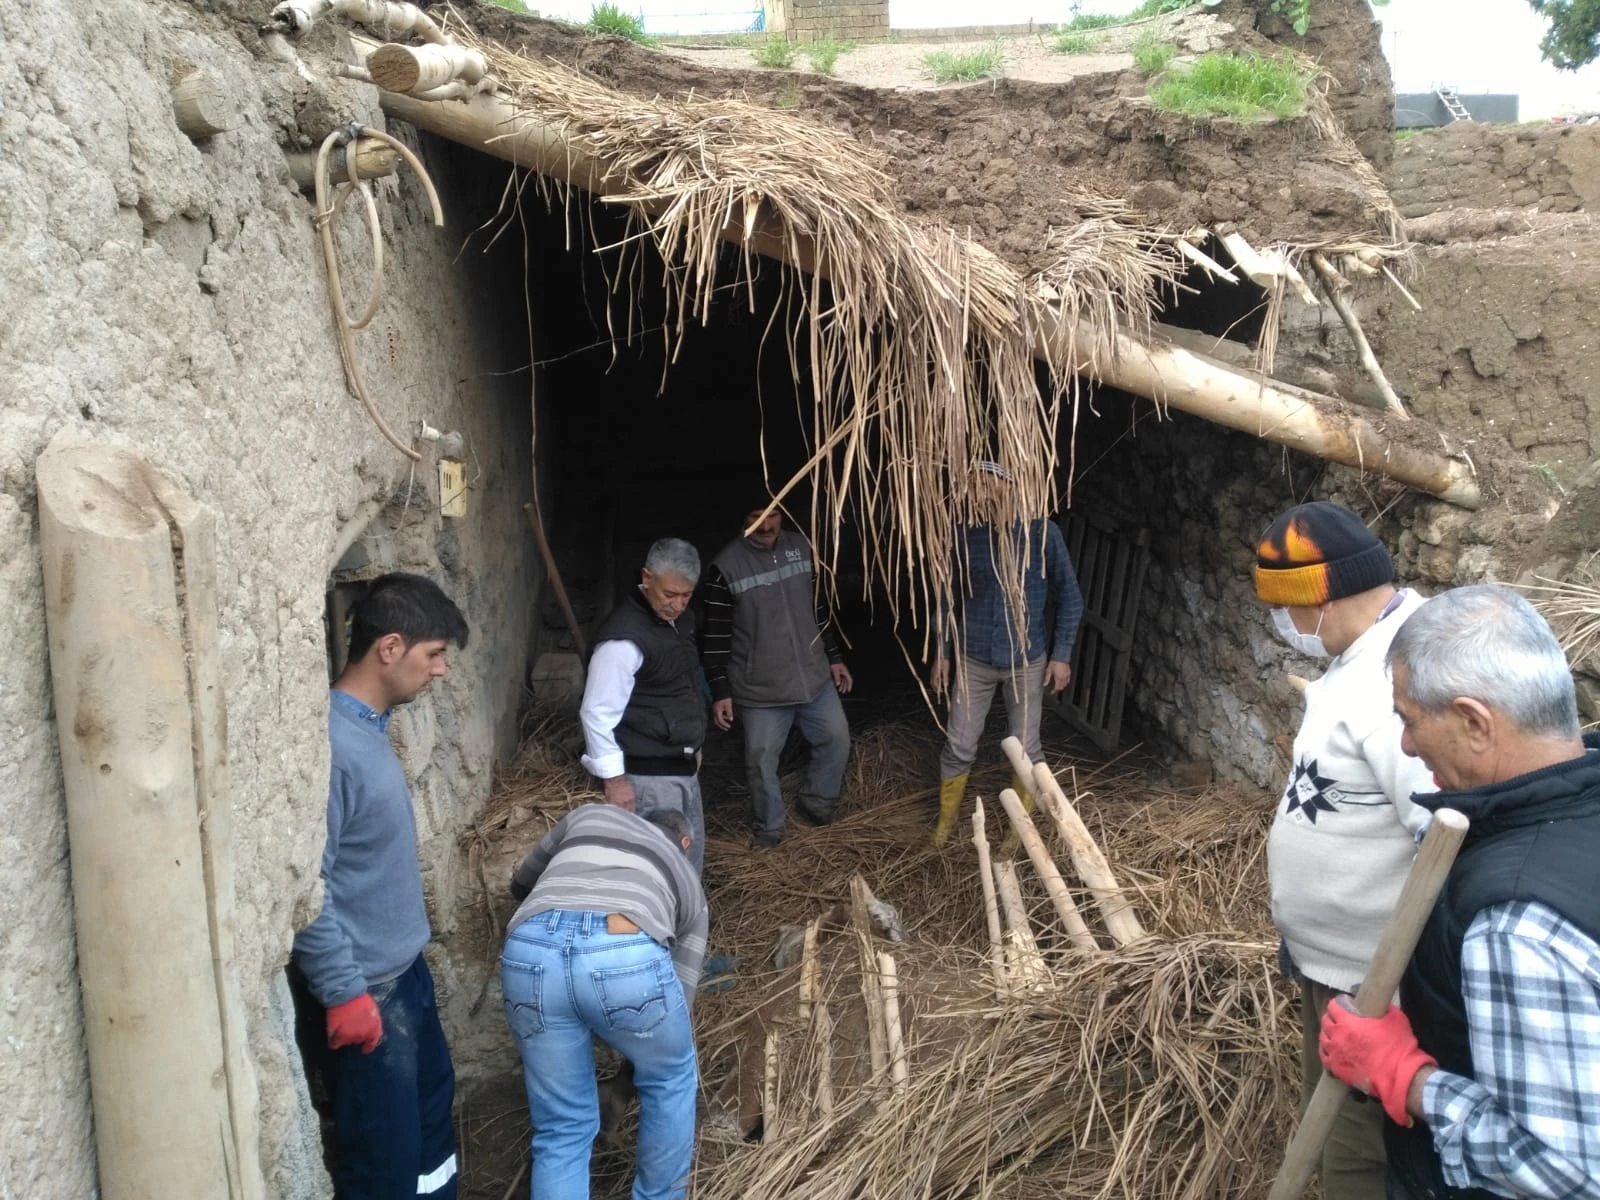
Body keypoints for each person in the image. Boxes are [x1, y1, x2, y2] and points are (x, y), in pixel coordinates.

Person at [1317, 584, 1600, 1200]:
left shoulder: (1515, 919)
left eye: (1410, 719)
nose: (1406, 745)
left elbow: (1569, 1174)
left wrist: (1407, 1078)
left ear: (1474, 722)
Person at [1254, 500, 1436, 1200]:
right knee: (1331, 1128)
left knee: (1360, 1154)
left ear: (1320, 598)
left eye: (1285, 609)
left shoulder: (1404, 681)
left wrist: (1392, 988)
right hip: (1335, 969)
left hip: (1378, 985)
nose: (1282, 627)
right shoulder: (1357, 659)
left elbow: (1439, 834)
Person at [290, 572, 468, 1200]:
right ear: (389, 648)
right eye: (434, 654)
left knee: (429, 1137)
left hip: (404, 978)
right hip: (366, 994)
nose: (441, 671)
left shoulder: (366, 731)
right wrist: (342, 993)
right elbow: (306, 883)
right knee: (383, 1163)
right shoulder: (333, 748)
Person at [502, 804, 708, 1200]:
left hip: (530, 946)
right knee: (670, 1078)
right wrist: (628, 1075)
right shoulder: (688, 883)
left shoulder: (591, 815)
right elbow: (678, 999)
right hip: (626, 943)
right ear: (684, 843)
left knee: (563, 1126)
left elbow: (522, 882)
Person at [931, 463, 1083, 845]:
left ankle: (1020, 836)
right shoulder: (964, 536)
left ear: (1010, 487)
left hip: (1027, 661)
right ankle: (944, 826)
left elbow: (1071, 598)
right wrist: (942, 651)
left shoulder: (1044, 533)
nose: (981, 494)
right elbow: (946, 598)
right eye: (975, 486)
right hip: (972, 660)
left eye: (989, 485)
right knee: (959, 744)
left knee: (1025, 747)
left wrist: (1061, 654)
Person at [702, 502, 854, 847]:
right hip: (760, 690)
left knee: (837, 739)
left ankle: (817, 802)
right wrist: (719, 689)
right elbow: (714, 637)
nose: (766, 525)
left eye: (772, 515)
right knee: (760, 762)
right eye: (755, 519)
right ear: (743, 521)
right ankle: (769, 829)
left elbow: (818, 610)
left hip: (813, 677)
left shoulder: (801, 547)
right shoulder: (725, 567)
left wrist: (833, 657)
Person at [582, 538, 708, 874]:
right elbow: (596, 712)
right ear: (647, 578)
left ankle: (686, 925)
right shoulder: (623, 640)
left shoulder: (679, 623)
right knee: (658, 871)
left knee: (686, 866)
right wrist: (615, 780)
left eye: (686, 595)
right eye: (670, 594)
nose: (678, 604)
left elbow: (683, 685)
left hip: (680, 769)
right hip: (648, 778)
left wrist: (693, 743)